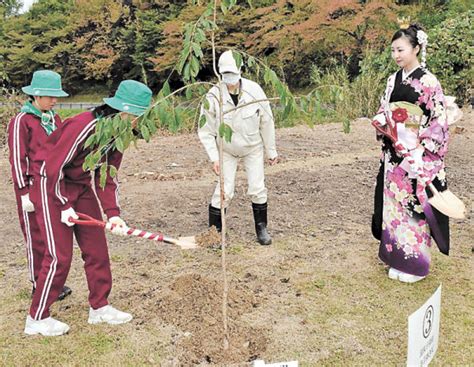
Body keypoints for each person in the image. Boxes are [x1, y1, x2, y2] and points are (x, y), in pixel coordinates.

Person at [24, 80, 153, 336]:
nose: (140, 123)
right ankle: (37, 317)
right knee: (59, 256)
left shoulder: (119, 133)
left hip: (81, 187)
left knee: (97, 249)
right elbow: (51, 167)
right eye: (138, 117)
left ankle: (100, 307)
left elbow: (107, 174)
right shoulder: (86, 125)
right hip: (50, 186)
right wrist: (62, 204)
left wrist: (114, 214)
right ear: (123, 111)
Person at [371, 24, 450, 283]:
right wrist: (383, 123)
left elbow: (438, 120)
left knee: (413, 208)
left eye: (401, 49)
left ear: (416, 48)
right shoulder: (392, 79)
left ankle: (415, 265)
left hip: (415, 157)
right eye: (393, 50)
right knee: (393, 208)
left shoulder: (428, 81)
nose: (396, 55)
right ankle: (396, 258)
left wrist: (421, 150)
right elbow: (385, 108)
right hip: (395, 154)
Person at [198, 50, 279, 246]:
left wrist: (271, 151)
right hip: (226, 150)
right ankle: (215, 233)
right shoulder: (213, 96)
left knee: (257, 188)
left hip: (253, 147)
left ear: (241, 70)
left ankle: (261, 229)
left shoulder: (254, 91)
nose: (230, 79)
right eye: (225, 75)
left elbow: (266, 122)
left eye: (233, 74)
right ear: (220, 73)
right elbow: (205, 131)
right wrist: (214, 157)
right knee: (224, 191)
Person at [7, 70, 72, 301]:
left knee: (52, 233)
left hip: (53, 184)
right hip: (31, 185)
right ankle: (38, 282)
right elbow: (17, 158)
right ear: (36, 95)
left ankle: (54, 281)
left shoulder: (54, 119)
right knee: (36, 235)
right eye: (50, 96)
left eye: (56, 96)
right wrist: (24, 192)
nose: (55, 101)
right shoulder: (21, 121)